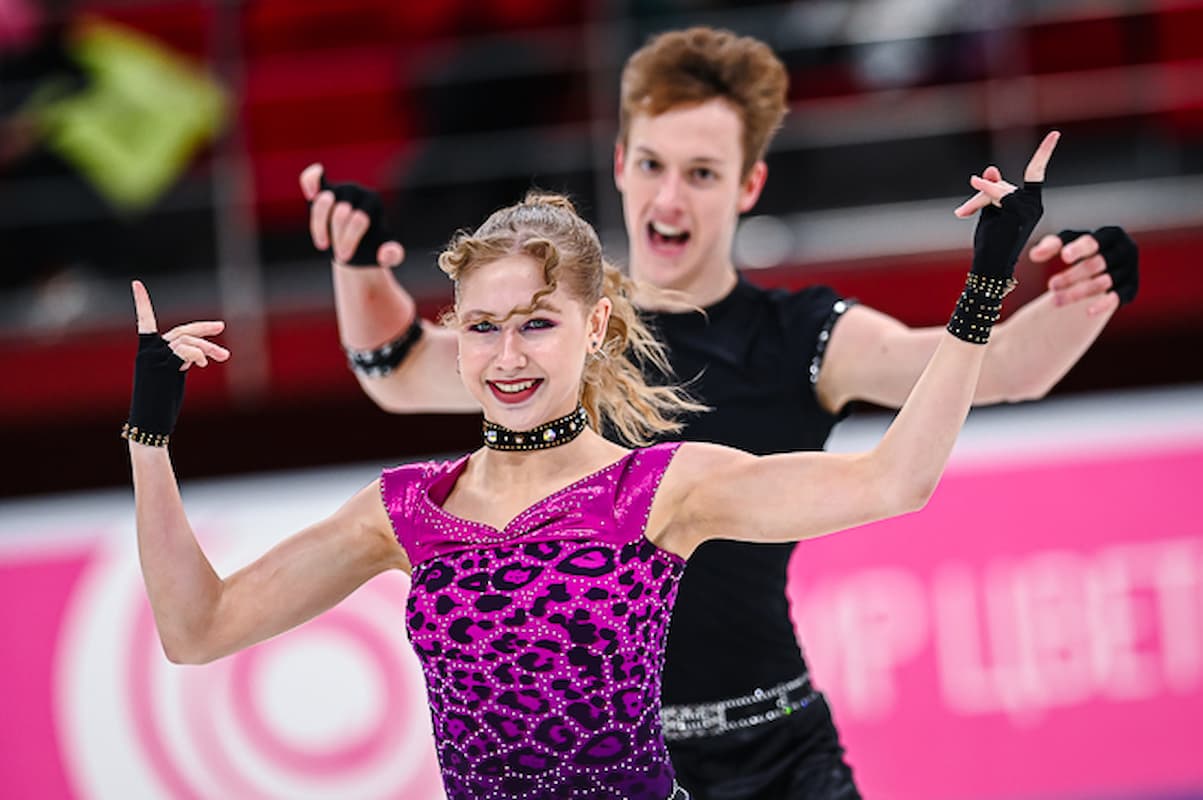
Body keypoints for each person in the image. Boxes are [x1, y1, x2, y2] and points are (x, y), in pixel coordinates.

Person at [300, 28, 1139, 800]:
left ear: (747, 184)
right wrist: (356, 264)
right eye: (655, 165)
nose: (671, 197)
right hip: (607, 768)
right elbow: (398, 372)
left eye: (701, 174)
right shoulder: (554, 334)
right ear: (621, 163)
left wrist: (1086, 291)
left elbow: (1001, 371)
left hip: (773, 754)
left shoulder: (803, 334)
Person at [129, 125, 1054, 799]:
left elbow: (893, 481)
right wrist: (151, 440)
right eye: (483, 328)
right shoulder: (404, 510)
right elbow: (195, 629)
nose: (509, 356)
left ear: (595, 326)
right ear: (454, 338)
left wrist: (983, 285)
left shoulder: (657, 488)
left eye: (537, 323)